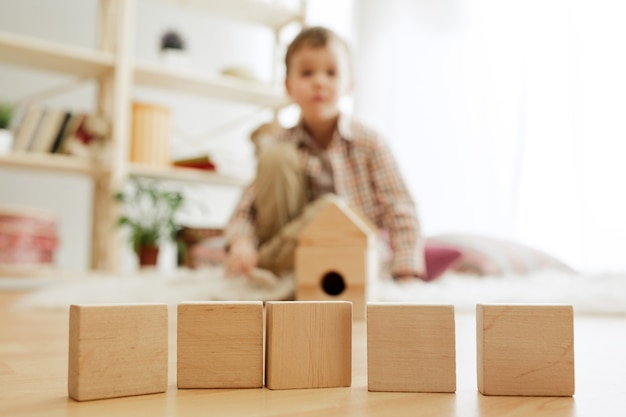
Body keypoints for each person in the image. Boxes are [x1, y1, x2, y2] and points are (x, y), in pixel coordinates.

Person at [224, 26, 425, 281]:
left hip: (352, 253)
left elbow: (400, 207)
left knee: (331, 210)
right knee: (275, 157)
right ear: (289, 86)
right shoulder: (278, 143)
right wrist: (241, 243)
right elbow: (246, 209)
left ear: (349, 84)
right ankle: (276, 266)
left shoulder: (370, 142)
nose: (319, 81)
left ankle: (266, 263)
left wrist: (406, 269)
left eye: (331, 72)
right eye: (307, 73)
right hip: (295, 258)